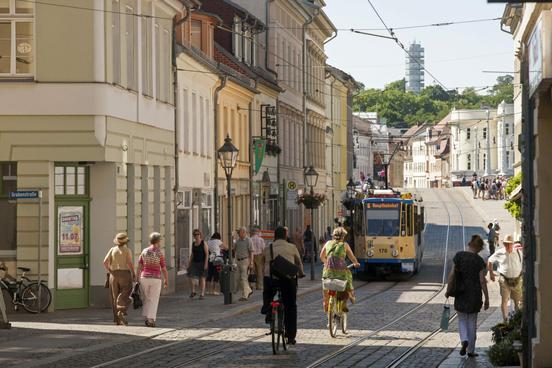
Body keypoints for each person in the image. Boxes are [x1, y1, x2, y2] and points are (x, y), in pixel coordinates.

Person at [446, 234, 489, 358]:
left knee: (462, 319)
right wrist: (487, 298)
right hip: (475, 295)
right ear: (480, 248)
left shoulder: (459, 256)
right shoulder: (479, 261)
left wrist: (448, 290)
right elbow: (482, 280)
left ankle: (464, 339)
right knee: (472, 321)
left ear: (469, 244)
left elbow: (452, 275)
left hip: (461, 293)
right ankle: (471, 350)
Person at [261, 226, 305, 345]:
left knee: (267, 292)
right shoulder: (292, 247)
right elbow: (299, 263)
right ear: (285, 236)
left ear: (274, 236)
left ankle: (267, 308)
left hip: (271, 279)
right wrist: (301, 274)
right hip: (287, 280)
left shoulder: (268, 248)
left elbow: (262, 262)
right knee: (290, 306)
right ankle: (290, 336)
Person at [320, 227, 360, 316]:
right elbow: (352, 257)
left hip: (328, 272)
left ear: (333, 235)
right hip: (341, 273)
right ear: (343, 236)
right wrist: (356, 263)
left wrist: (327, 263)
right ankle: (348, 299)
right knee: (348, 278)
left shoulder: (327, 243)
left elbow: (321, 256)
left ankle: (326, 303)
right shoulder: (344, 245)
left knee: (325, 284)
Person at [487, 234, 523, 321]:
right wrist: (491, 273)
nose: (508, 245)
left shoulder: (518, 252)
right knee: (505, 300)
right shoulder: (500, 252)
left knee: (517, 302)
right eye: (506, 243)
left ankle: (517, 321)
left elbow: (523, 263)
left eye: (510, 243)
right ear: (504, 244)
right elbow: (490, 260)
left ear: (513, 244)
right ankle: (505, 321)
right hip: (504, 279)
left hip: (517, 279)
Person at [137, 232, 169, 327]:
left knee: (147, 298)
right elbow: (163, 268)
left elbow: (139, 265)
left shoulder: (144, 251)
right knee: (154, 299)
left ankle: (147, 316)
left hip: (144, 277)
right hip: (155, 278)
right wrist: (166, 279)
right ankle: (150, 320)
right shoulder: (159, 253)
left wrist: (136, 277)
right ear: (158, 241)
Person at [103, 232, 135, 325]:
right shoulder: (127, 250)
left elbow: (105, 262)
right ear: (125, 242)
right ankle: (121, 310)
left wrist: (110, 271)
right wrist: (133, 273)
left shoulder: (112, 249)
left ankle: (117, 320)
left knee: (114, 296)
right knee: (126, 294)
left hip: (113, 275)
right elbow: (129, 263)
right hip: (125, 274)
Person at [188, 229, 209, 299]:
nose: (196, 236)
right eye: (195, 235)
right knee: (191, 276)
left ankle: (202, 294)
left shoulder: (203, 243)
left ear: (200, 235)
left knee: (202, 278)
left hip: (202, 262)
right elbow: (192, 254)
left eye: (198, 234)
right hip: (194, 262)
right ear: (193, 236)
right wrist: (189, 262)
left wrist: (206, 264)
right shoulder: (193, 244)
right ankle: (193, 291)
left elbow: (207, 254)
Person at [234, 227, 254, 301]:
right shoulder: (238, 240)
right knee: (238, 278)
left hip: (245, 260)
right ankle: (249, 290)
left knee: (243, 278)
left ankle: (245, 295)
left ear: (244, 232)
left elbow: (251, 252)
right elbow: (234, 249)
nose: (238, 233)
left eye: (239, 232)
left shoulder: (249, 240)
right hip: (238, 261)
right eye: (238, 232)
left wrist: (251, 262)